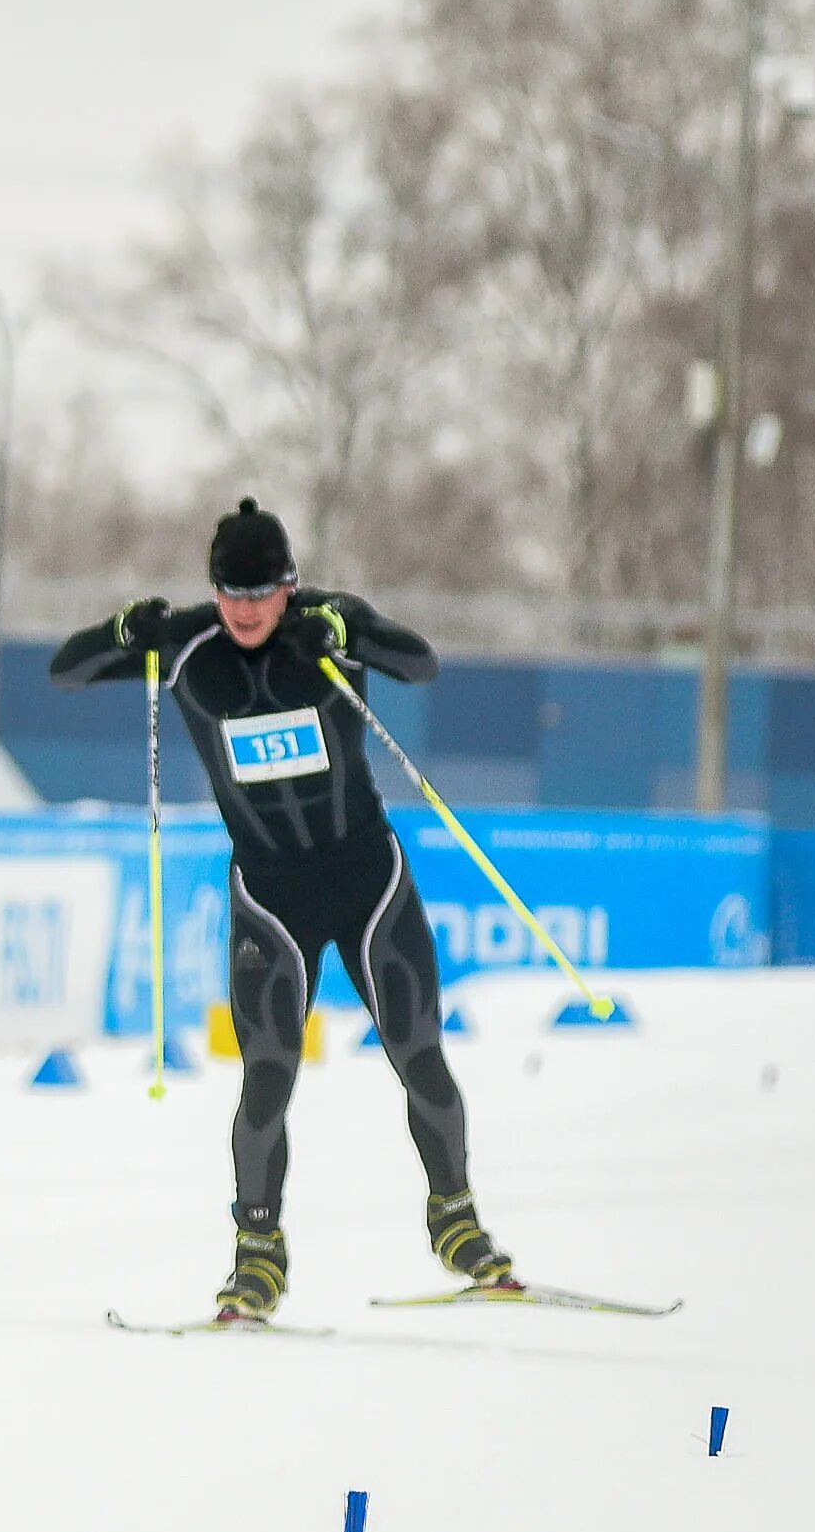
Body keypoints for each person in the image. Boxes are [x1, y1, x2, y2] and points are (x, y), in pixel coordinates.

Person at [49, 498, 512, 1322]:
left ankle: (458, 1224)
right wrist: (124, 631)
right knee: (266, 1078)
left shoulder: (324, 621)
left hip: (368, 879)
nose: (247, 610)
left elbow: (423, 663)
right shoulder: (189, 643)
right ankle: (257, 1256)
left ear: (289, 584)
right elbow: (67, 669)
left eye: (263, 593)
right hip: (271, 895)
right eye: (231, 593)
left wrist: (347, 635)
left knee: (419, 1054)